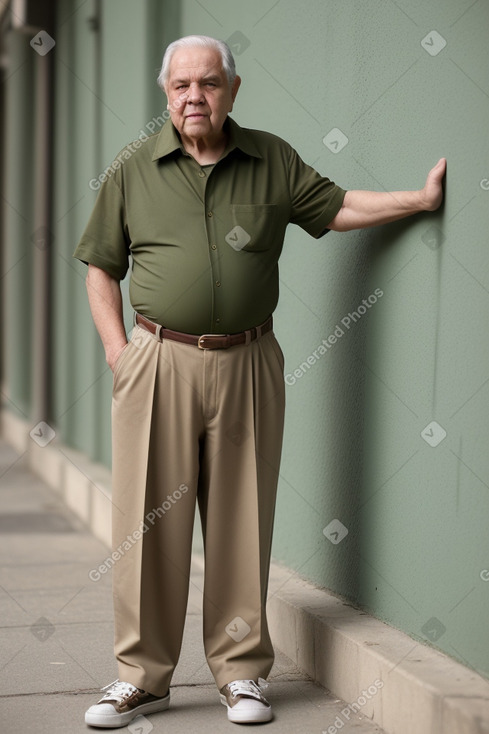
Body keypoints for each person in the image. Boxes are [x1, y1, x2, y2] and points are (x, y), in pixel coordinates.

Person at [74, 34, 446, 728]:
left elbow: (335, 209)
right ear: (166, 93)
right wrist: (117, 352)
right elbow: (101, 264)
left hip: (248, 361)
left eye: (209, 83)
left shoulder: (270, 158)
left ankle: (241, 674)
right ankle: (141, 676)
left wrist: (417, 201)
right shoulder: (132, 168)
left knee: (241, 519)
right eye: (182, 85)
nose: (194, 96)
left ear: (232, 90)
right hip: (157, 358)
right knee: (147, 524)